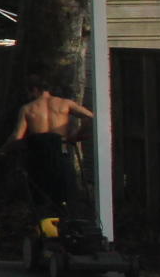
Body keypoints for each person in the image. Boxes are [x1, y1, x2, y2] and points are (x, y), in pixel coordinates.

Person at [9, 77, 95, 213]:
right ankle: (68, 224)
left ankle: (46, 227)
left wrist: (3, 150)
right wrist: (76, 135)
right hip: (60, 151)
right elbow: (90, 117)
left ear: (35, 90)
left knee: (41, 199)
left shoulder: (27, 109)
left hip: (38, 156)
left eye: (29, 92)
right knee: (66, 196)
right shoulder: (65, 104)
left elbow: (16, 137)